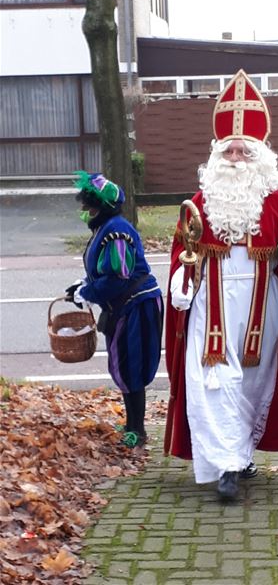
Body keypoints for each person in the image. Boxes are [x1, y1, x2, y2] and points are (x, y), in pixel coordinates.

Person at [164, 69, 278, 500]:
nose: (236, 156)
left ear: (261, 155)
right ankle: (227, 466)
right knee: (215, 380)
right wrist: (182, 279)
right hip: (211, 307)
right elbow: (183, 253)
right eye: (229, 150)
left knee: (253, 383)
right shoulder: (197, 204)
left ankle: (241, 452)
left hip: (263, 308)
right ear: (215, 156)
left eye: (245, 150)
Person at [65, 171, 164, 448]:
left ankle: (138, 429)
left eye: (89, 207)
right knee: (122, 364)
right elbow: (102, 272)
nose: (85, 211)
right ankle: (132, 422)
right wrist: (82, 285)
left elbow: (118, 276)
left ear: (102, 208)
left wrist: (87, 293)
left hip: (137, 306)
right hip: (124, 307)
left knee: (131, 365)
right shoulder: (104, 228)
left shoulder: (116, 233)